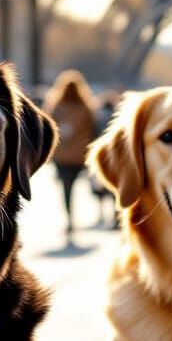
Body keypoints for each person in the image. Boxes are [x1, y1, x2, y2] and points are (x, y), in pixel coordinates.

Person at [43, 70, 97, 245]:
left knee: (66, 189)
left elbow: (47, 129)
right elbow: (93, 132)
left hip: (61, 156)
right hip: (79, 156)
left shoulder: (56, 107)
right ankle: (75, 217)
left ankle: (69, 219)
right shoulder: (87, 107)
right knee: (74, 186)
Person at [90, 89, 121, 228]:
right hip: (115, 158)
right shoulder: (118, 118)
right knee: (114, 189)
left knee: (99, 190)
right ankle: (116, 218)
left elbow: (91, 135)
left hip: (98, 157)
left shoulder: (96, 117)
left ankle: (100, 215)